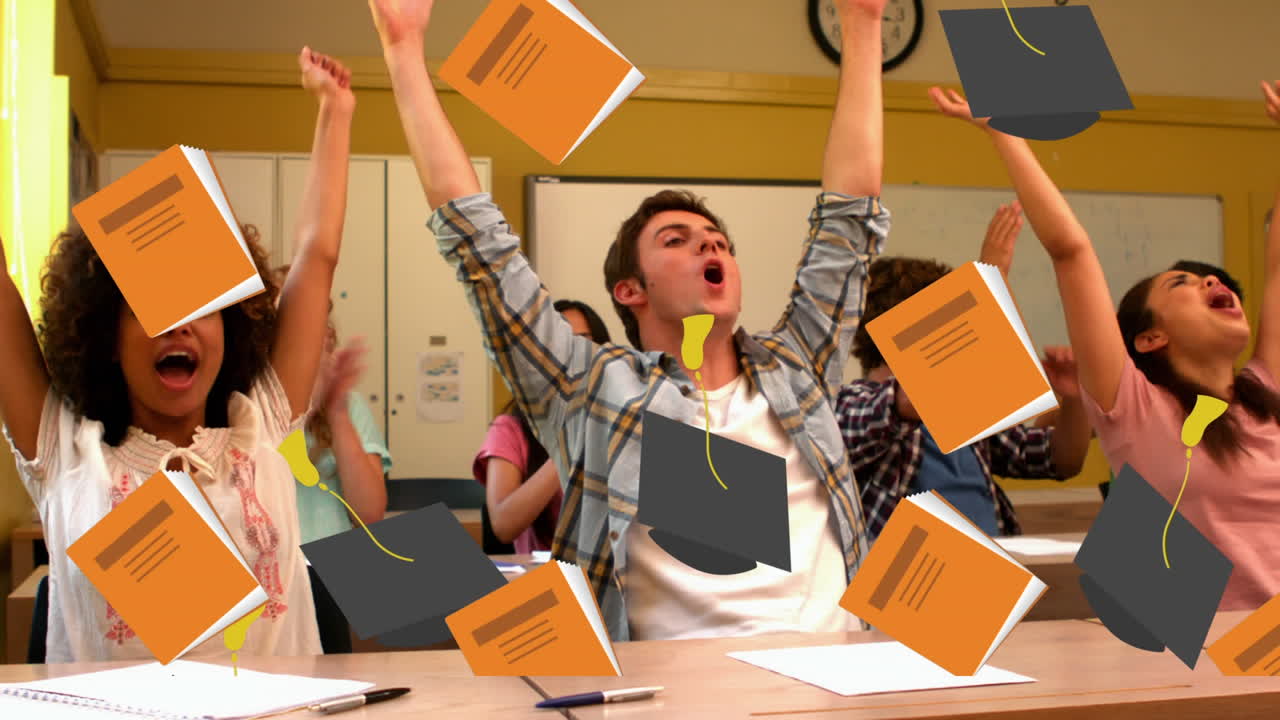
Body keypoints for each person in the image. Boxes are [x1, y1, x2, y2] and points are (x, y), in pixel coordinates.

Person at [368, 0, 891, 641]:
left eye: (717, 239)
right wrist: (403, 51)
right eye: (676, 240)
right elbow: (481, 246)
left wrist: (864, 26)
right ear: (629, 290)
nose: (710, 246)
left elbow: (848, 222)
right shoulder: (596, 387)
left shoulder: (797, 367)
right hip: (677, 691)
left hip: (837, 676)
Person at [0, 46, 354, 662]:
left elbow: (316, 253)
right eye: (148, 307)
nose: (180, 327)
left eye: (202, 306)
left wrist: (336, 110)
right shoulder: (67, 452)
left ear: (232, 328)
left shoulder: (258, 427)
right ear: (106, 338)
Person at [926, 80, 1280, 611]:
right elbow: (1071, 250)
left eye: (1210, 281)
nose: (1209, 282)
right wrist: (1002, 132)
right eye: (1182, 283)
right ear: (1149, 338)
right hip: (1202, 665)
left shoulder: (1264, 389)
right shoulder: (1134, 406)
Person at [837, 203, 1093, 541]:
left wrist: (1074, 398)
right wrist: (988, 283)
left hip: (986, 574)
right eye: (946, 320)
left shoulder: (964, 413)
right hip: (910, 585)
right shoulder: (850, 402)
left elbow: (1059, 461)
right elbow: (913, 399)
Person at [272, 265, 392, 653]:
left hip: (329, 571)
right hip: (266, 574)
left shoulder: (347, 403)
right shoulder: (239, 404)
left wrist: (336, 409)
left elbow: (370, 512)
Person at [473, 300, 611, 554]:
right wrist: (567, 447)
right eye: (560, 344)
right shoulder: (511, 427)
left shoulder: (624, 416)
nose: (572, 354)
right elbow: (503, 526)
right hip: (550, 577)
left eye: (583, 341)